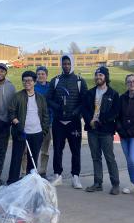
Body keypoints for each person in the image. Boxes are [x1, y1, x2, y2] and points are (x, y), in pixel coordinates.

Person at [47, 54, 87, 189]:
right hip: (58, 122)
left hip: (74, 122)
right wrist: (57, 107)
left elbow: (84, 101)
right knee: (57, 149)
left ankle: (75, 176)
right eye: (64, 64)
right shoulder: (55, 80)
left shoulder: (80, 81)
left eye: (68, 64)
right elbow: (48, 99)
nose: (66, 66)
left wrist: (76, 112)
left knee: (76, 150)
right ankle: (57, 175)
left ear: (72, 64)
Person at [82, 67, 120, 195]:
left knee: (109, 157)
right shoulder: (90, 93)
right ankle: (98, 183)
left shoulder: (113, 94)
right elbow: (85, 109)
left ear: (106, 77)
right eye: (96, 75)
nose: (98, 77)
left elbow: (115, 112)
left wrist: (100, 121)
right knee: (95, 157)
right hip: (92, 130)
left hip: (106, 131)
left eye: (101, 75)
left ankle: (115, 184)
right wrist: (90, 121)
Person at [7, 71, 49, 184]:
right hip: (21, 132)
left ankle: (30, 182)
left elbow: (45, 115)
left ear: (34, 82)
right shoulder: (18, 96)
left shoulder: (40, 98)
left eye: (29, 80)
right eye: (25, 81)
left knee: (33, 158)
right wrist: (17, 123)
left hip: (37, 133)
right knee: (17, 158)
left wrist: (43, 131)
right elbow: (11, 112)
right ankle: (12, 181)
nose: (27, 83)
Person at [21, 66, 54, 177]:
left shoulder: (51, 87)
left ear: (46, 75)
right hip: (31, 123)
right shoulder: (33, 87)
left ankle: (42, 170)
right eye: (38, 74)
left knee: (44, 149)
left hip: (46, 123)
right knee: (27, 150)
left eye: (42, 74)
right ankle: (24, 171)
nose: (40, 76)